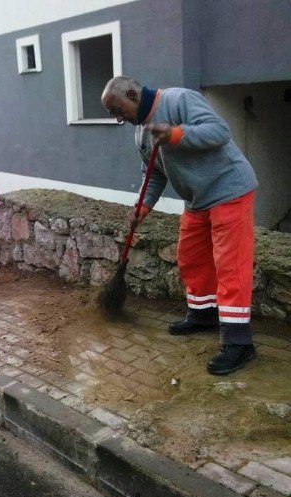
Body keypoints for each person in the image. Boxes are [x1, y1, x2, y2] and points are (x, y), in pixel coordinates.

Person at [101, 76, 259, 376]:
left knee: (231, 265)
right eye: (112, 113)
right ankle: (203, 314)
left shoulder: (178, 100)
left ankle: (239, 343)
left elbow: (220, 132)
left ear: (132, 94)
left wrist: (175, 134)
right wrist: (143, 206)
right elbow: (155, 173)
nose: (117, 118)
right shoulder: (141, 134)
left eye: (117, 109)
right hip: (197, 199)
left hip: (229, 189)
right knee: (191, 257)